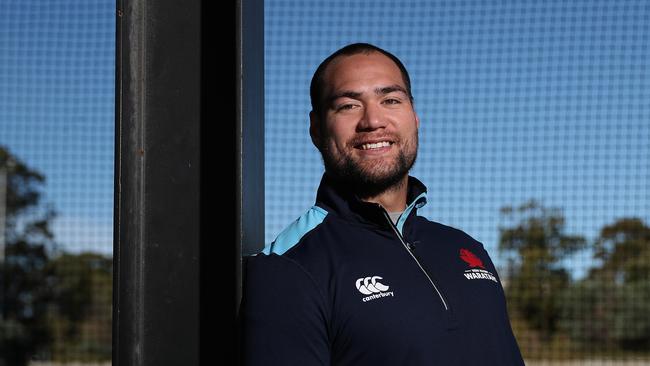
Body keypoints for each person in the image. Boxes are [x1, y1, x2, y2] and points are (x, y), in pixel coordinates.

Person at [239, 43, 525, 365]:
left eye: (390, 99)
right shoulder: (287, 268)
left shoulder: (466, 248)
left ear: (414, 117)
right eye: (348, 105)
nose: (373, 120)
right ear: (316, 129)